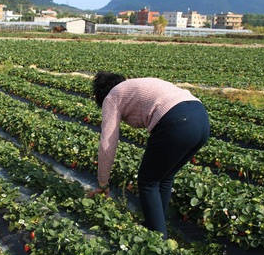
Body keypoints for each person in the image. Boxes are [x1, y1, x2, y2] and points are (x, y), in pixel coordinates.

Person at [89, 72, 210, 239]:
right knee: (164, 177)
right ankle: (156, 225)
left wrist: (103, 183)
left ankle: (158, 240)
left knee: (147, 182)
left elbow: (107, 143)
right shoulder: (134, 86)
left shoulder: (112, 96)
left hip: (176, 122)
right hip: (201, 118)